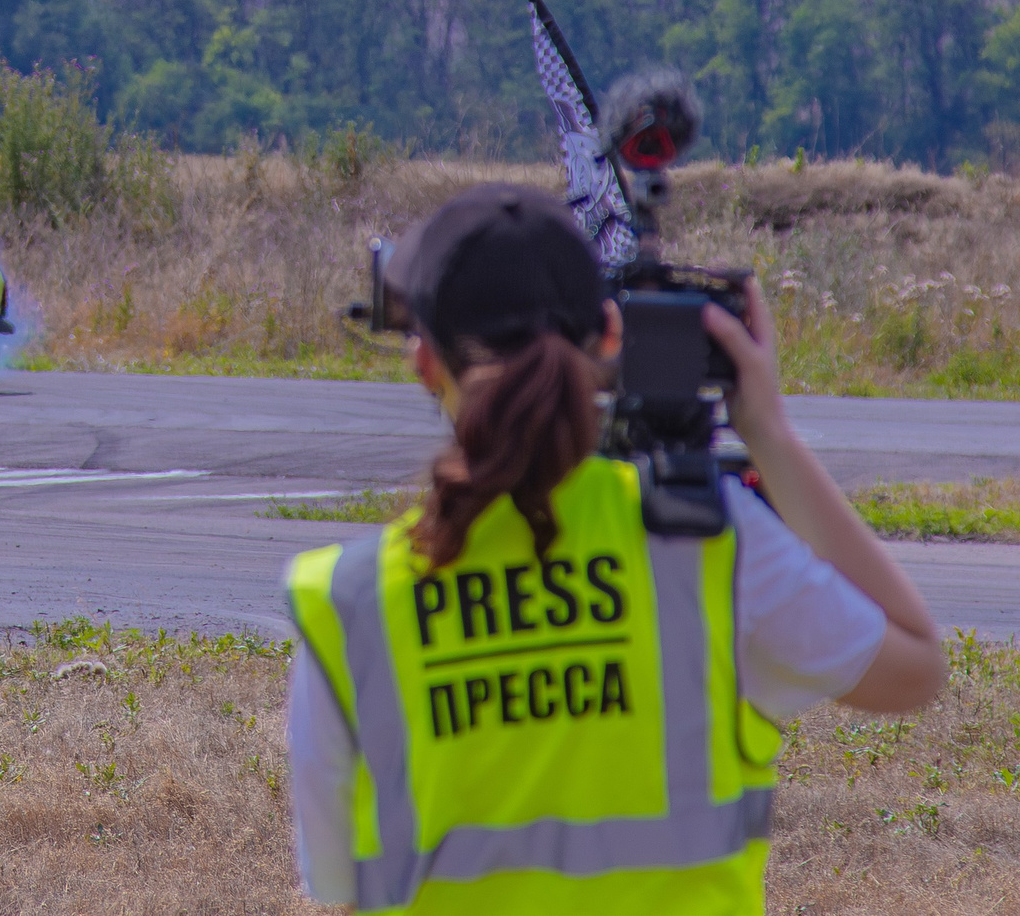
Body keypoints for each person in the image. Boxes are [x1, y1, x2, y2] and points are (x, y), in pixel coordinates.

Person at [284, 182, 943, 912]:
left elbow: (343, 887)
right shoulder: (700, 542)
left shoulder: (347, 601)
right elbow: (913, 665)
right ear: (607, 334)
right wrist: (771, 434)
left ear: (423, 362)